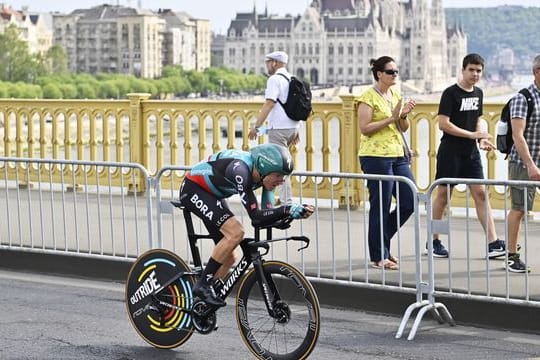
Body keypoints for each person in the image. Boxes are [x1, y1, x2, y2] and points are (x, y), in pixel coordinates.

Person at [178, 144, 314, 307]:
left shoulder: (265, 178)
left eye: (284, 175)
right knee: (236, 232)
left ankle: (199, 305)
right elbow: (256, 217)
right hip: (194, 188)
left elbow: (266, 214)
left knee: (229, 257)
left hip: (213, 194)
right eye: (278, 175)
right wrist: (286, 209)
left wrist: (288, 216)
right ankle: (203, 286)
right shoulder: (241, 171)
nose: (282, 180)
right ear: (264, 169)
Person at [430, 53, 505, 259]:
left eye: (479, 71)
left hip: (470, 153)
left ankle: (493, 242)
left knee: (481, 194)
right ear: (463, 70)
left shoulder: (478, 93)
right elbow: (443, 123)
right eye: (471, 70)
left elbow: (477, 118)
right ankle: (435, 240)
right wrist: (471, 135)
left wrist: (480, 138)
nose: (475, 74)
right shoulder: (450, 94)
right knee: (444, 197)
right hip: (450, 152)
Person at [357, 56, 416, 270]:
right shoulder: (367, 97)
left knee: (409, 201)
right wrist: (391, 118)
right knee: (380, 206)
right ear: (379, 74)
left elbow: (403, 127)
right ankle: (379, 255)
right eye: (390, 72)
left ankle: (382, 240)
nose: (395, 75)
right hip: (375, 157)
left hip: (398, 154)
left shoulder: (396, 94)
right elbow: (364, 128)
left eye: (396, 72)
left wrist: (403, 116)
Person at [248, 50, 299, 205]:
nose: (267, 66)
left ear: (274, 63)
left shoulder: (274, 79)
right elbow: (298, 105)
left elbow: (269, 103)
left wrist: (256, 126)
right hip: (292, 128)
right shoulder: (292, 78)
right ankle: (283, 199)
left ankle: (285, 202)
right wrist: (297, 128)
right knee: (285, 163)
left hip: (279, 129)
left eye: (268, 62)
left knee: (278, 166)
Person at [505, 55, 540, 273]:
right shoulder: (523, 98)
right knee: (519, 209)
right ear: (538, 71)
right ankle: (511, 256)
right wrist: (530, 165)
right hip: (524, 164)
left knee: (522, 209)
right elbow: (518, 135)